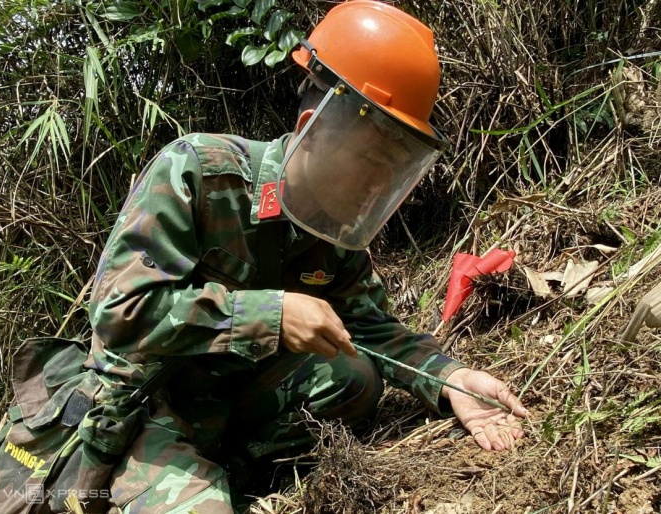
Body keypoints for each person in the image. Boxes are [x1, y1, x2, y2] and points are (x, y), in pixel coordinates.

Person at [82, 1, 529, 511]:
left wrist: (449, 378)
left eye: (394, 168)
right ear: (318, 125)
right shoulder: (201, 173)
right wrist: (267, 315)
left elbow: (370, 330)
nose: (378, 185)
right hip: (152, 407)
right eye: (371, 161)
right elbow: (121, 315)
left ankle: (233, 477)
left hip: (234, 408)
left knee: (354, 376)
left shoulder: (335, 228)